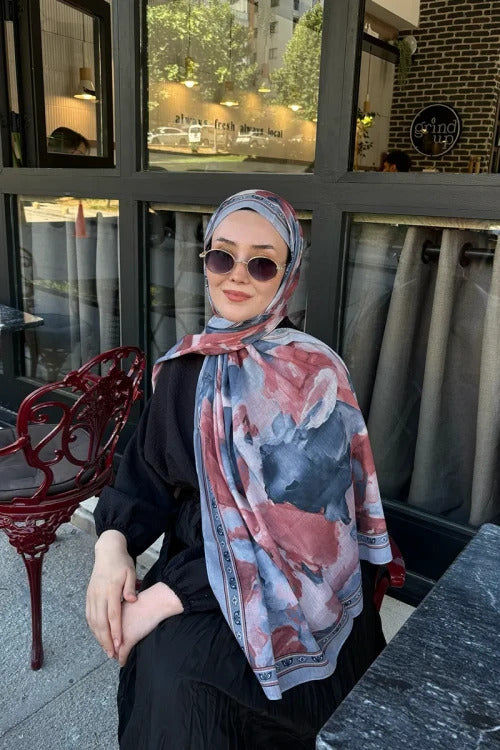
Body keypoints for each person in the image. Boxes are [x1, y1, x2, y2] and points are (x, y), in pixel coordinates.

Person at [86, 189, 393, 749]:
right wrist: (112, 546)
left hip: (295, 587)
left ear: (288, 275)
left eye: (262, 263)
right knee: (164, 670)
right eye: (222, 256)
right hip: (199, 560)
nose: (237, 275)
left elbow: (309, 540)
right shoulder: (185, 367)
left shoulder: (313, 376)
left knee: (183, 679)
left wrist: (160, 599)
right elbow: (145, 476)